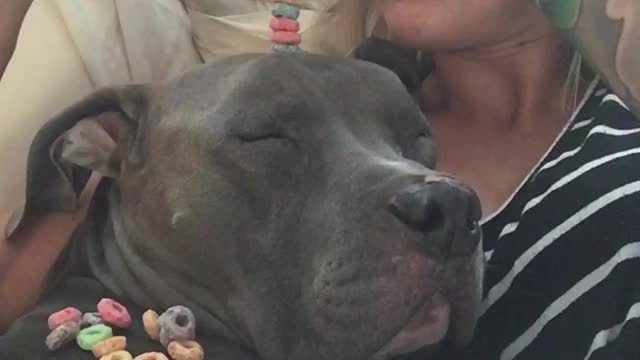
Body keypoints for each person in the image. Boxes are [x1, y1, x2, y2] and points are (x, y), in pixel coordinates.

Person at [1, 1, 639, 359]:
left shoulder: (618, 182)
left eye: (415, 141)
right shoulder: (170, 128)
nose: (429, 189)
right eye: (269, 141)